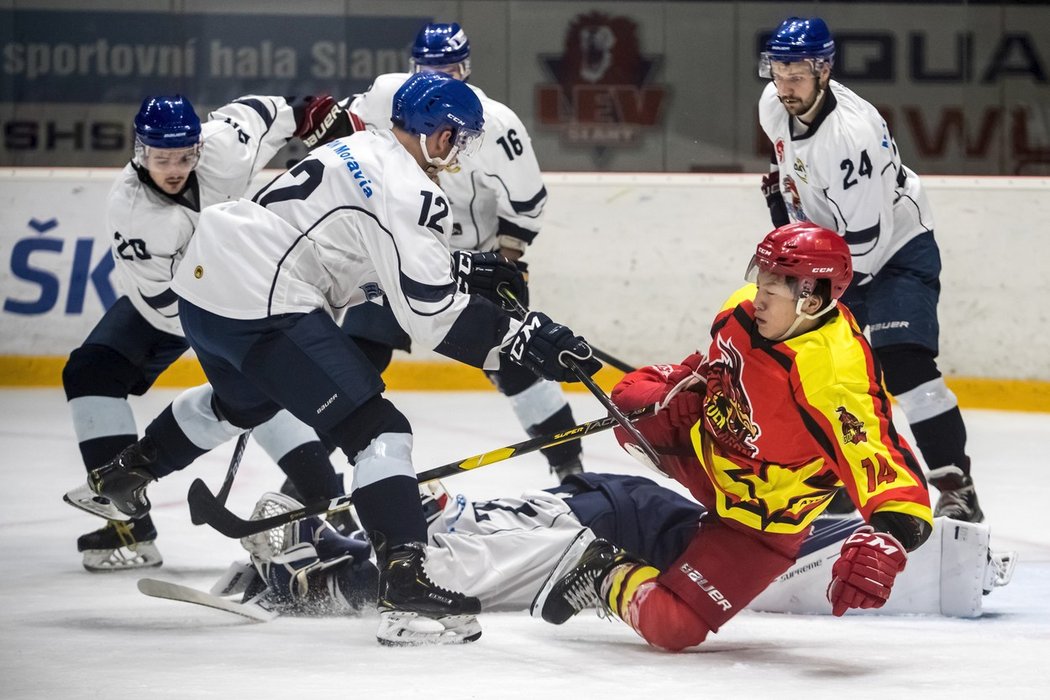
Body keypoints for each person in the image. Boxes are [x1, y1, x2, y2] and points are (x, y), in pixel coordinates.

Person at [65, 71, 602, 645]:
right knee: (381, 433)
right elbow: (430, 313)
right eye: (458, 137)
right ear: (438, 137)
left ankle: (127, 471)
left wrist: (464, 267)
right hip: (263, 301)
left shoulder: (363, 139)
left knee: (240, 403)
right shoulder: (412, 193)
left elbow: (355, 244)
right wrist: (521, 336)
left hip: (204, 293)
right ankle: (406, 589)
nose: (459, 151)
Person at [531, 222, 935, 652]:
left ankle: (602, 571)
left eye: (772, 291)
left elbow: (883, 456)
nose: (757, 298)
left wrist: (889, 535)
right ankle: (678, 535)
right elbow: (714, 369)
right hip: (708, 449)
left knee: (672, 627)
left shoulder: (833, 376)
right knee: (629, 404)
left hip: (759, 520)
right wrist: (687, 387)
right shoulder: (741, 310)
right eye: (760, 280)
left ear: (810, 300)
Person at [62, 93, 355, 571]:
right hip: (171, 307)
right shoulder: (134, 213)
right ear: (141, 152)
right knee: (93, 371)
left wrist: (320, 120)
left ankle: (329, 501)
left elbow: (280, 111)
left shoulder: (224, 144)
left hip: (247, 282)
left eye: (184, 156)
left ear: (199, 145)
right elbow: (167, 304)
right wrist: (238, 341)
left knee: (257, 389)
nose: (175, 168)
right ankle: (128, 524)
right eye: (162, 159)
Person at [307, 22, 585, 483]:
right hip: (392, 259)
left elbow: (527, 201)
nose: (439, 80)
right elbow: (337, 133)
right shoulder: (388, 103)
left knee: (516, 364)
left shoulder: (493, 124)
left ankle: (570, 467)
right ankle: (309, 484)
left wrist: (508, 257)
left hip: (472, 266)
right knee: (352, 370)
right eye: (428, 70)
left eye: (449, 70)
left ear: (467, 68)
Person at [211, 473, 1011, 620]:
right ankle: (328, 554)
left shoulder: (451, 527)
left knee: (470, 554)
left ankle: (319, 569)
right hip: (607, 509)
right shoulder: (449, 524)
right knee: (470, 535)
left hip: (598, 521)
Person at [756, 17, 982, 523]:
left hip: (896, 251)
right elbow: (795, 179)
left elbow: (867, 245)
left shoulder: (851, 136)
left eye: (797, 75)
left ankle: (956, 486)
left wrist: (809, 292)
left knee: (905, 369)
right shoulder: (773, 104)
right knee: (824, 376)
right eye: (778, 71)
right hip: (835, 256)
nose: (785, 86)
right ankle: (832, 481)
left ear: (824, 70)